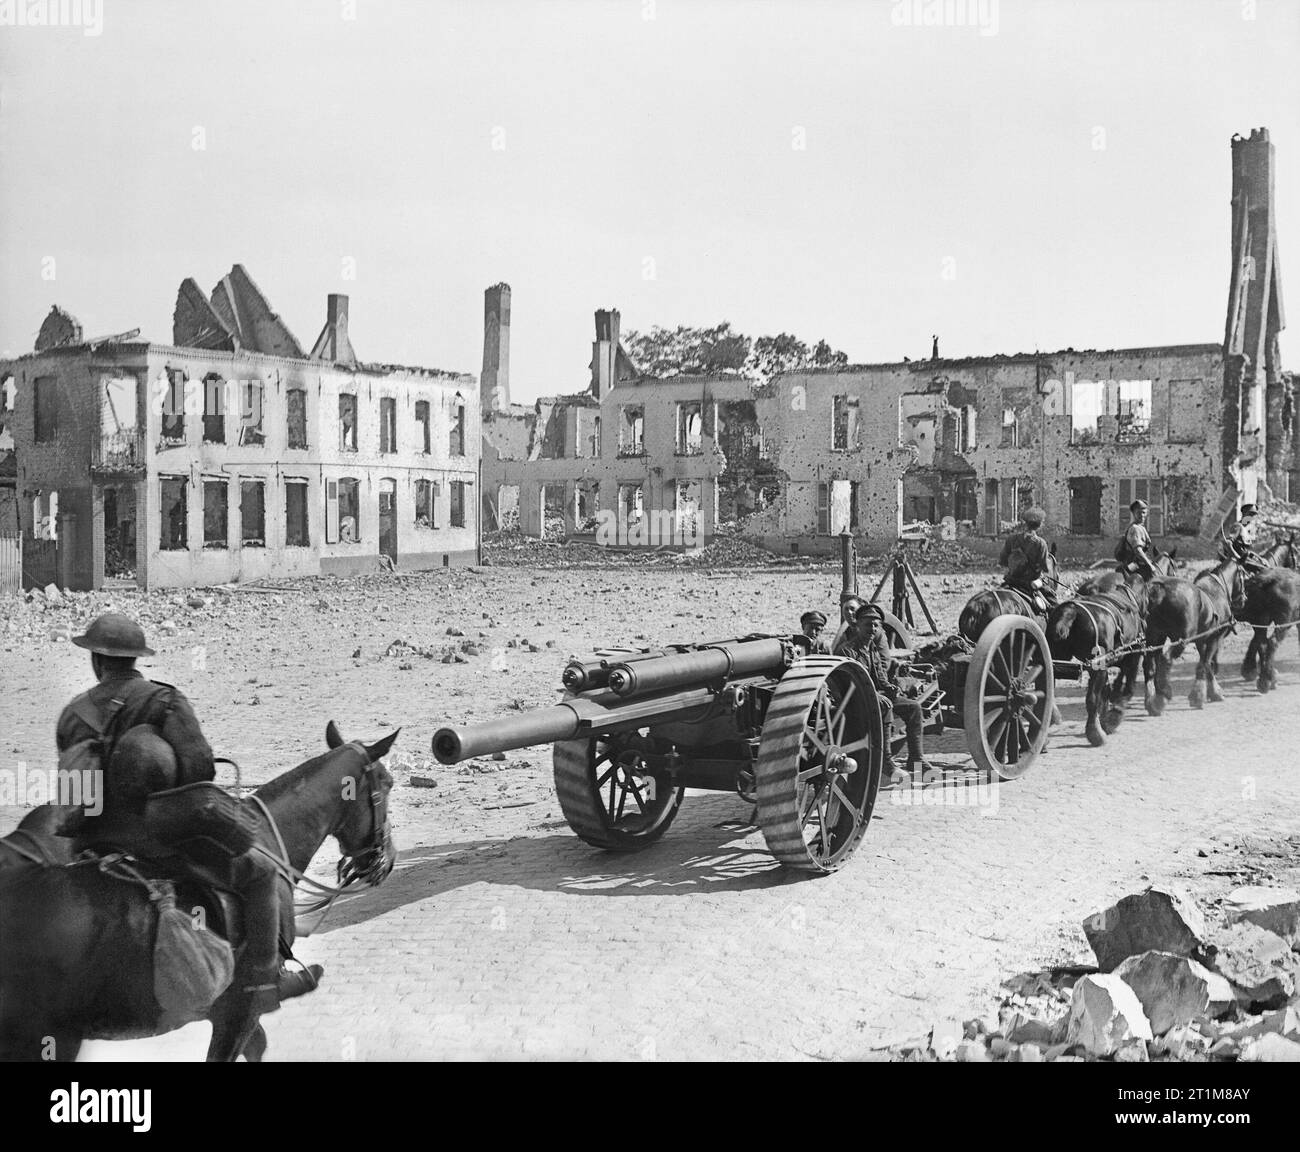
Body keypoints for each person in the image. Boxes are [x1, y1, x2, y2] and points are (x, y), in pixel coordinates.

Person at [56, 612, 320, 1018]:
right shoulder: (164, 700)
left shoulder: (73, 713)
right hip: (160, 843)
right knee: (262, 873)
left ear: (96, 660)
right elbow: (201, 769)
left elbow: (75, 788)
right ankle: (268, 980)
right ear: (135, 660)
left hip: (89, 842)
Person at [835, 602, 935, 781]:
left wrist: (889, 687)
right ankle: (886, 761)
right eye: (867, 624)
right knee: (886, 706)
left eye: (875, 625)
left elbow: (880, 676)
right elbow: (851, 684)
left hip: (874, 694)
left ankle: (916, 758)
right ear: (858, 626)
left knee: (914, 708)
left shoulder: (871, 648)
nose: (872, 629)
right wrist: (876, 695)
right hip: (855, 700)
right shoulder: (847, 650)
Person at [998, 506, 1056, 612]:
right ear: (1039, 525)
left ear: (1024, 522)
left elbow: (1002, 561)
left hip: (1011, 581)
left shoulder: (1011, 539)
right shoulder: (1040, 543)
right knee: (1053, 605)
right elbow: (1044, 568)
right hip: (1030, 583)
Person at [1115, 499, 1158, 579]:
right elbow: (1138, 550)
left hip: (1138, 563)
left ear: (1146, 514)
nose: (1141, 515)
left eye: (1143, 512)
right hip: (1133, 564)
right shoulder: (1135, 528)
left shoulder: (1140, 527)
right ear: (1134, 514)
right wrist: (1150, 565)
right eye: (1138, 513)